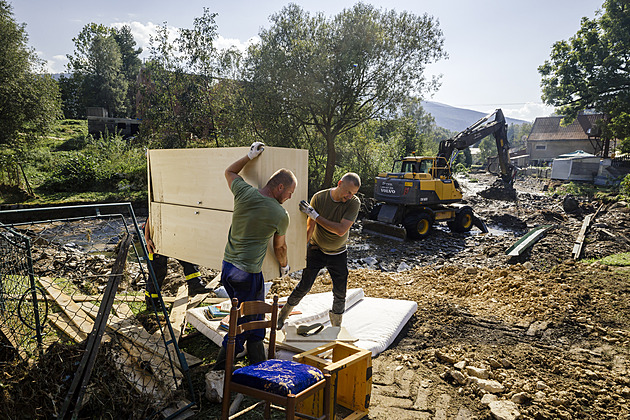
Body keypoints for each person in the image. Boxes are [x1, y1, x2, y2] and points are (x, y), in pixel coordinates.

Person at [213, 141, 297, 370]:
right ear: (279, 187)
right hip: (247, 274)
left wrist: (249, 156)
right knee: (245, 322)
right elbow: (280, 247)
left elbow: (229, 171)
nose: (290, 198)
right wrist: (285, 267)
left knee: (248, 317)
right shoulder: (280, 214)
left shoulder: (244, 193)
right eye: (289, 193)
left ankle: (255, 363)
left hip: (228, 269)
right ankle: (222, 370)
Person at [277, 173, 361, 330]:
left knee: (340, 292)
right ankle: (282, 316)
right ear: (340, 183)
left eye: (353, 194)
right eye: (348, 192)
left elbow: (341, 230)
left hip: (338, 253)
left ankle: (336, 325)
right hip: (317, 249)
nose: (349, 196)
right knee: (304, 286)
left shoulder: (353, 203)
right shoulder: (320, 198)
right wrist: (300, 250)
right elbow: (310, 227)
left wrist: (315, 215)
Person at [143, 217, 213, 309]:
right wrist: (147, 239)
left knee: (187, 256)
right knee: (157, 271)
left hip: (172, 231)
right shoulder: (157, 207)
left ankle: (195, 285)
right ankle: (152, 303)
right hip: (156, 236)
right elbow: (149, 217)